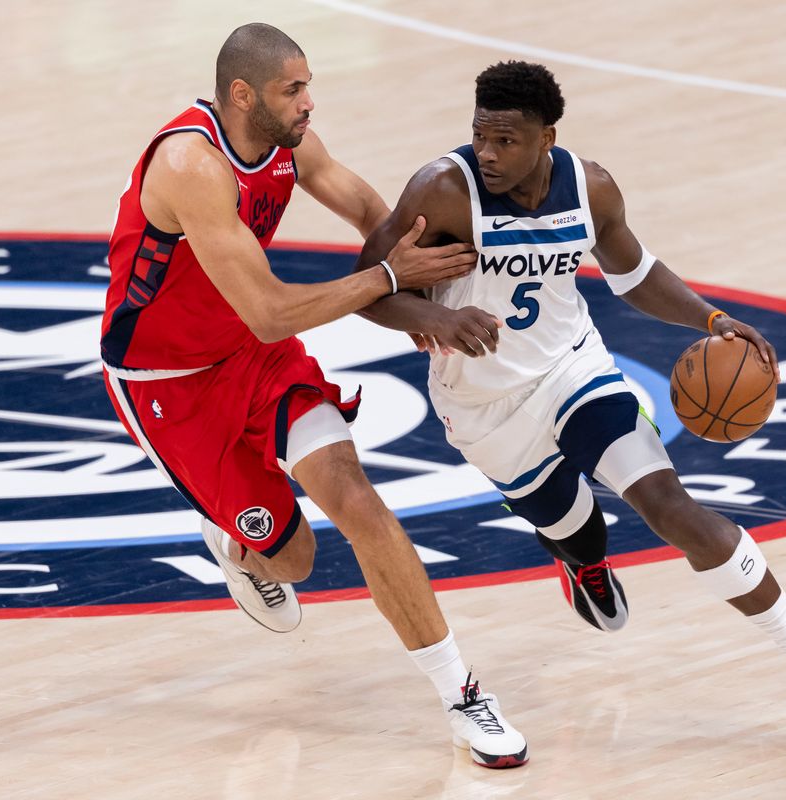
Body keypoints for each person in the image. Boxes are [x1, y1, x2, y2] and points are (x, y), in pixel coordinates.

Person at [353, 60, 786, 736]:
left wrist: (710, 320)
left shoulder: (589, 187)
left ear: (548, 137)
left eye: (507, 140)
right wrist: (433, 319)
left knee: (670, 505)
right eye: (481, 136)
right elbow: (368, 286)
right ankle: (582, 562)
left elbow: (633, 273)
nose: (488, 153)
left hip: (576, 372)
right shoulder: (443, 191)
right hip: (484, 406)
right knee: (577, 531)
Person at [99, 24, 527, 768]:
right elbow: (271, 306)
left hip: (254, 355)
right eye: (292, 89)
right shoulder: (189, 165)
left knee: (358, 501)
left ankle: (463, 697)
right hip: (167, 383)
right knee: (294, 561)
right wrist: (387, 282)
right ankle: (241, 542)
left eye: (307, 85)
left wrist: (428, 295)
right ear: (243, 95)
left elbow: (372, 214)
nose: (308, 102)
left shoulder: (291, 140)